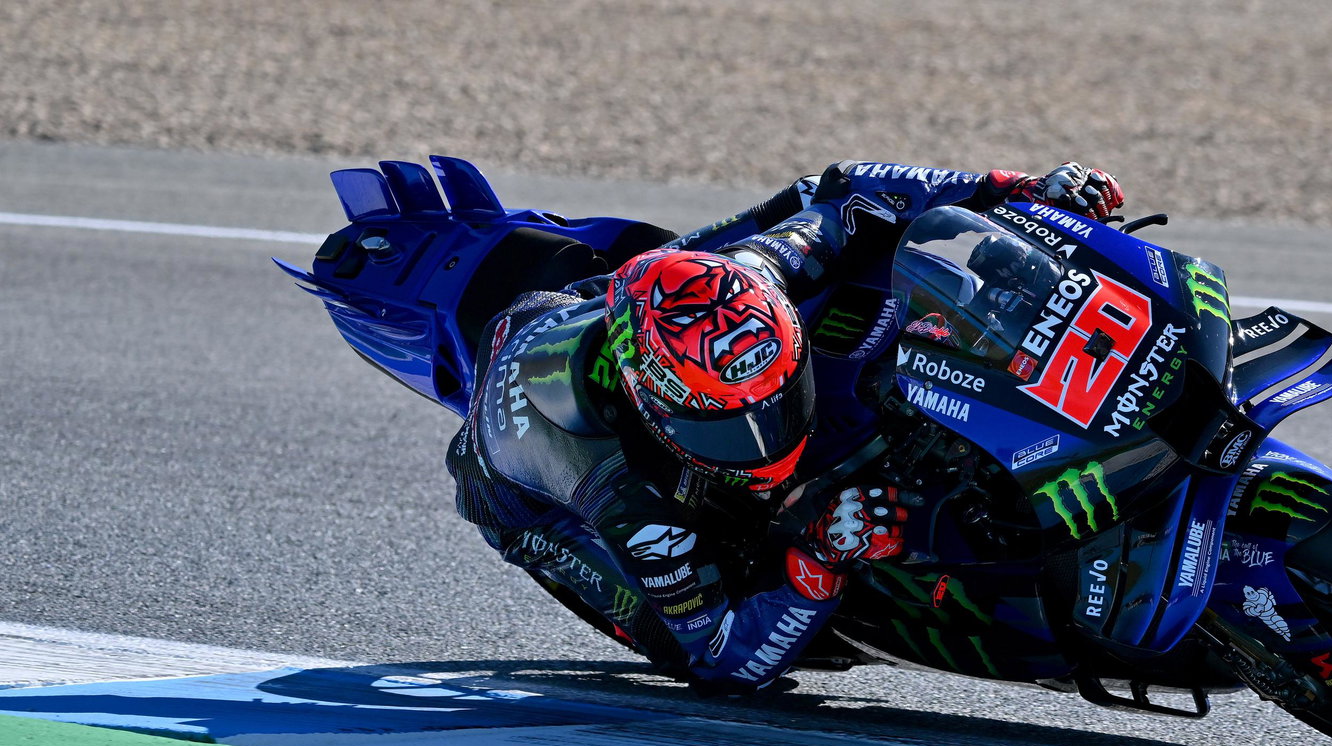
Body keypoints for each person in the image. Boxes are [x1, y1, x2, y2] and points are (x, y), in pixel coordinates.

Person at [447, 159, 1124, 691]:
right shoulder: (626, 495)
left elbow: (851, 191)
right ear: (657, 409)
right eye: (731, 427)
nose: (766, 444)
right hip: (520, 493)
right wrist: (817, 556)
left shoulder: (766, 270)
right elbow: (720, 658)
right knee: (676, 636)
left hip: (599, 306)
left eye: (776, 399)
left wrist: (1011, 187)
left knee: (862, 279)